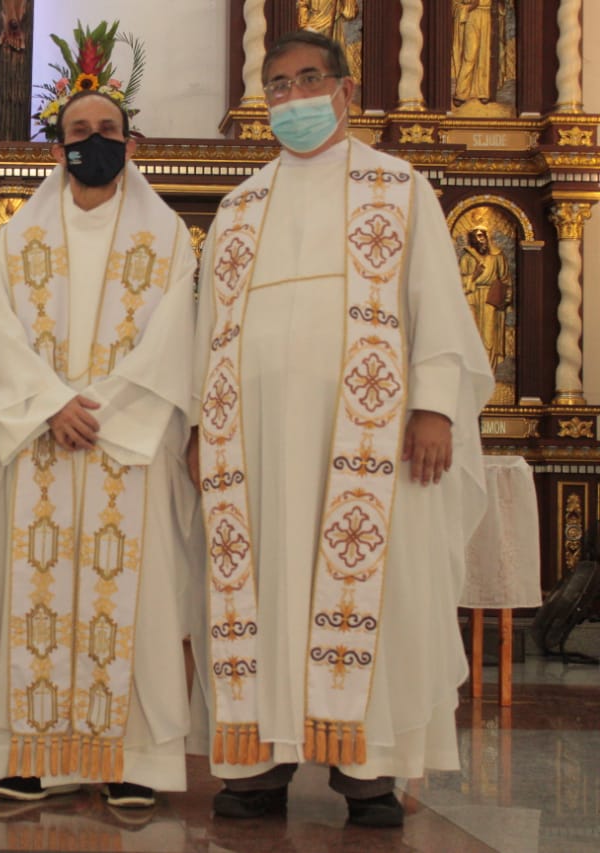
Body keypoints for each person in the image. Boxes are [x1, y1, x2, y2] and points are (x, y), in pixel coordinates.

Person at [188, 31, 493, 828]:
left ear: (345, 91)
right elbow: (207, 330)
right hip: (251, 443)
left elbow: (438, 303)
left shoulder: (399, 188)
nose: (293, 97)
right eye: (279, 85)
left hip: (368, 437)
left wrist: (434, 404)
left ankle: (367, 769)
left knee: (373, 590)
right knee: (257, 593)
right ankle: (257, 764)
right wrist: (198, 426)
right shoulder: (239, 206)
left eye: (308, 80)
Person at [0, 90, 202, 810]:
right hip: (41, 443)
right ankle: (35, 756)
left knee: (141, 603)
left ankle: (135, 760)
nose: (92, 140)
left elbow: (174, 340)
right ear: (57, 148)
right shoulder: (15, 241)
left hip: (129, 448)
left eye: (107, 129)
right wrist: (49, 406)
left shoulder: (168, 238)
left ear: (130, 144)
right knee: (37, 594)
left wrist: (99, 412)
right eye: (79, 130)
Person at [459, 224, 511, 369]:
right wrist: (474, 275)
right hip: (472, 296)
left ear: (487, 238)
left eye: (481, 236)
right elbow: (458, 282)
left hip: (490, 297)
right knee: (472, 333)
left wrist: (505, 298)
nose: (479, 240)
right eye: (476, 237)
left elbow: (505, 280)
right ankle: (472, 371)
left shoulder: (497, 257)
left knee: (489, 335)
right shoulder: (467, 258)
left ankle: (489, 371)